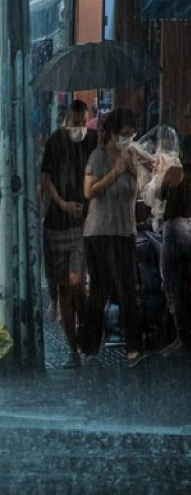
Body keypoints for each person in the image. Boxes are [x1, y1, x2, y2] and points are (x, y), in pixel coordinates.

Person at [83, 108, 148, 368]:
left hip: (125, 230)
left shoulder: (131, 154)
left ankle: (134, 350)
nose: (127, 139)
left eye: (131, 135)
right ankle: (90, 349)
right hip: (100, 232)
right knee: (100, 291)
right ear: (112, 133)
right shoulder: (98, 156)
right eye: (124, 134)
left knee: (128, 290)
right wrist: (115, 171)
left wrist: (133, 170)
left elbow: (138, 189)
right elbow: (89, 192)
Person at [41, 100, 98, 368]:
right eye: (75, 123)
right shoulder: (55, 141)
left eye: (83, 123)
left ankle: (87, 333)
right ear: (66, 121)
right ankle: (72, 347)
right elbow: (46, 179)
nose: (79, 128)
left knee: (77, 282)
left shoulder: (95, 140)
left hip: (84, 223)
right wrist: (62, 203)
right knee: (64, 286)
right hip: (57, 222)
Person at [157, 134, 191, 356]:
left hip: (177, 226)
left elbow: (159, 194)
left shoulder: (176, 171)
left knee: (173, 282)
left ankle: (181, 338)